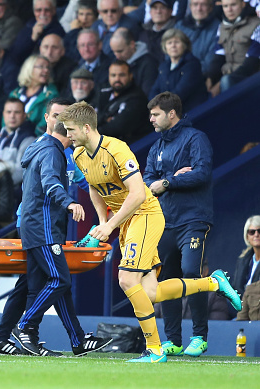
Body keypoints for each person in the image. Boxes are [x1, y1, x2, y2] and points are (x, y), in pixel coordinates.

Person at [60, 101, 242, 362]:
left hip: (145, 214)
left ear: (86, 128)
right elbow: (93, 187)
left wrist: (110, 226)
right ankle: (214, 282)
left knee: (126, 279)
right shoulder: (79, 155)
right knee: (151, 292)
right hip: (126, 222)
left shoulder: (116, 150)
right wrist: (102, 220)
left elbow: (136, 194)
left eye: (70, 130)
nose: (68, 136)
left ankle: (155, 349)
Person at [0, 97, 95, 357]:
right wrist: (69, 203)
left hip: (40, 222)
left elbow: (89, 183)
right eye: (57, 116)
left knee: (32, 284)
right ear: (48, 119)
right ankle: (25, 330)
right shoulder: (49, 150)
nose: (60, 120)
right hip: (40, 223)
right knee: (57, 280)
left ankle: (8, 339)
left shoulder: (62, 153)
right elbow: (47, 184)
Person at [143, 92, 214, 358]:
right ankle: (173, 340)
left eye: (155, 114)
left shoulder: (196, 138)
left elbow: (202, 173)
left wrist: (167, 182)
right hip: (165, 221)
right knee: (167, 278)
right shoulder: (157, 146)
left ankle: (199, 337)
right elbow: (149, 180)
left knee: (190, 272)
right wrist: (171, 178)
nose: (151, 119)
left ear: (171, 114)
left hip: (194, 219)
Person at [206, 0, 260, 96]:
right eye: (225, 6)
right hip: (226, 75)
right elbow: (218, 57)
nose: (229, 10)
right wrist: (210, 78)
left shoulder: (257, 24)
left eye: (233, 5)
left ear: (243, 4)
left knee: (226, 81)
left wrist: (220, 83)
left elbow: (252, 62)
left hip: (249, 78)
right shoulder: (222, 26)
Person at [148, 29, 208, 113]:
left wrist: (160, 106)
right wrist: (154, 104)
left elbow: (180, 93)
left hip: (193, 113)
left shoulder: (192, 64)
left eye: (177, 42)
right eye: (169, 43)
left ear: (184, 45)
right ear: (165, 47)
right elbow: (154, 90)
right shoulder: (164, 66)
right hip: (170, 113)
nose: (173, 46)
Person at [96, 60, 151, 144]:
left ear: (130, 76)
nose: (117, 79)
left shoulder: (137, 98)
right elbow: (93, 116)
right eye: (113, 75)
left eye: (122, 75)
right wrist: (104, 119)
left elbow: (117, 127)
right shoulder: (104, 93)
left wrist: (94, 131)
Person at [9, 55, 59, 135]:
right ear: (29, 68)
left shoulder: (51, 94)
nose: (46, 70)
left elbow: (46, 123)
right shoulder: (15, 94)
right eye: (41, 67)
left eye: (48, 68)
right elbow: (5, 120)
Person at [0, 98, 35, 186]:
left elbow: (21, 172)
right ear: (3, 114)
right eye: (8, 112)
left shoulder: (29, 140)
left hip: (12, 193)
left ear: (24, 115)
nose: (12, 116)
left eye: (17, 112)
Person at [9, 0, 65, 65]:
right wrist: (32, 39)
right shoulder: (29, 26)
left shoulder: (58, 31)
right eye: (38, 10)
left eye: (47, 10)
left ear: (54, 11)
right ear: (34, 11)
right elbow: (14, 55)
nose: (42, 14)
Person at [175, 0, 220, 77]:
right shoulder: (180, 26)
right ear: (190, 7)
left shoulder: (218, 29)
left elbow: (210, 63)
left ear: (210, 8)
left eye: (203, 5)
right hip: (176, 74)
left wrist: (186, 72)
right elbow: (169, 55)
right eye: (195, 4)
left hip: (201, 77)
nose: (199, 8)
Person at [109, 27, 158, 97]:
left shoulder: (149, 64)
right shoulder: (116, 60)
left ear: (132, 45)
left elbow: (146, 93)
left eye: (120, 51)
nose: (117, 56)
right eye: (114, 51)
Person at [232, 215, 260, 296]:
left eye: (259, 231)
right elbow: (236, 287)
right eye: (252, 232)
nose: (256, 234)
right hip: (243, 305)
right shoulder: (243, 259)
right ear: (247, 236)